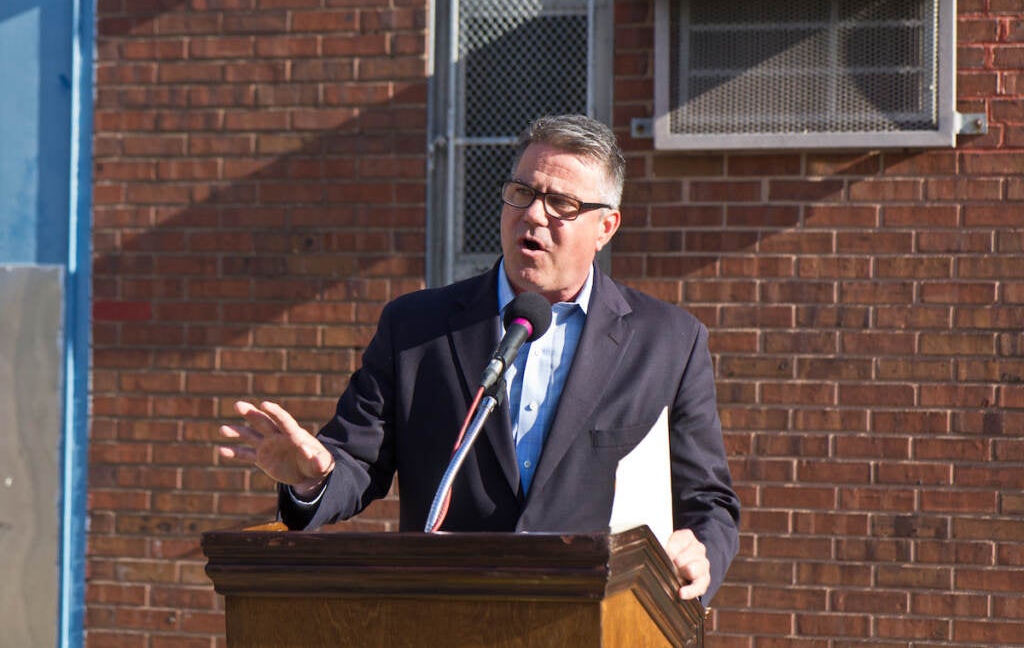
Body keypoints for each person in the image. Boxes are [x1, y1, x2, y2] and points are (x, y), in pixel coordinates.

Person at [219, 114, 740, 604]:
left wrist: (703, 551)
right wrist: (314, 478)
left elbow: (707, 503)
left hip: (598, 617)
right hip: (449, 611)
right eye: (522, 193)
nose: (533, 214)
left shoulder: (668, 342)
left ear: (606, 227)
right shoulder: (417, 327)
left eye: (561, 203)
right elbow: (358, 461)